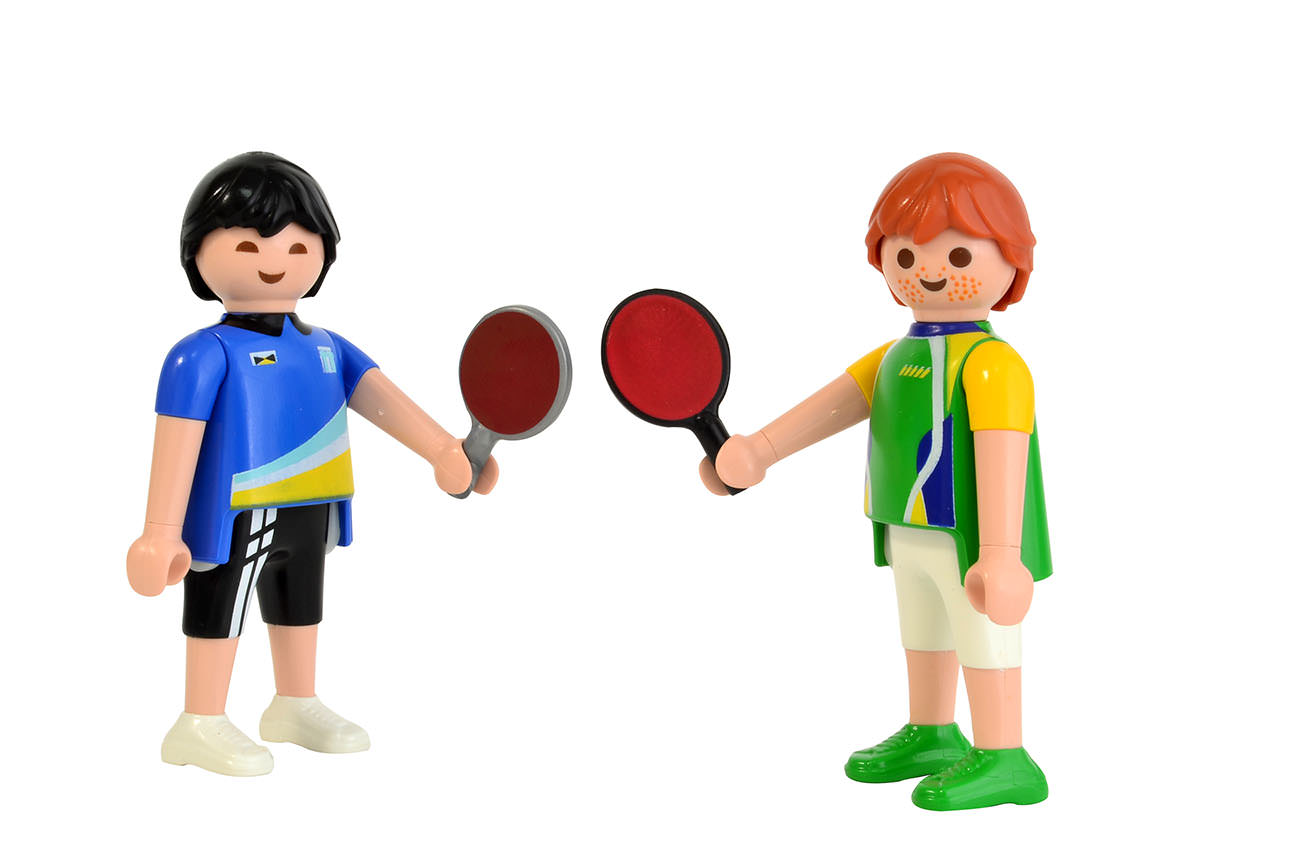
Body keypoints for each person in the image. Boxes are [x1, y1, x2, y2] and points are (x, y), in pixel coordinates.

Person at [126, 152, 498, 776]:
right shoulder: (202, 354)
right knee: (219, 606)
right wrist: (160, 531)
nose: (275, 260)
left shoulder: (327, 347)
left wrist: (443, 451)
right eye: (250, 246)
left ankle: (295, 703)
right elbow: (177, 439)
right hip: (236, 510)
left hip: (314, 504)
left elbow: (383, 400)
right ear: (199, 253)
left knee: (300, 601)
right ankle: (199, 719)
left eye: (298, 247)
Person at [700, 152, 1051, 810]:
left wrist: (1003, 554)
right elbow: (833, 405)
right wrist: (758, 451)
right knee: (923, 630)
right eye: (907, 256)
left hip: (971, 538)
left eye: (959, 256)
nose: (930, 273)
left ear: (1012, 262)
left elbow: (1004, 450)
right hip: (903, 526)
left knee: (982, 635)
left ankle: (1007, 756)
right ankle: (933, 731)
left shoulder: (992, 364)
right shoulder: (895, 356)